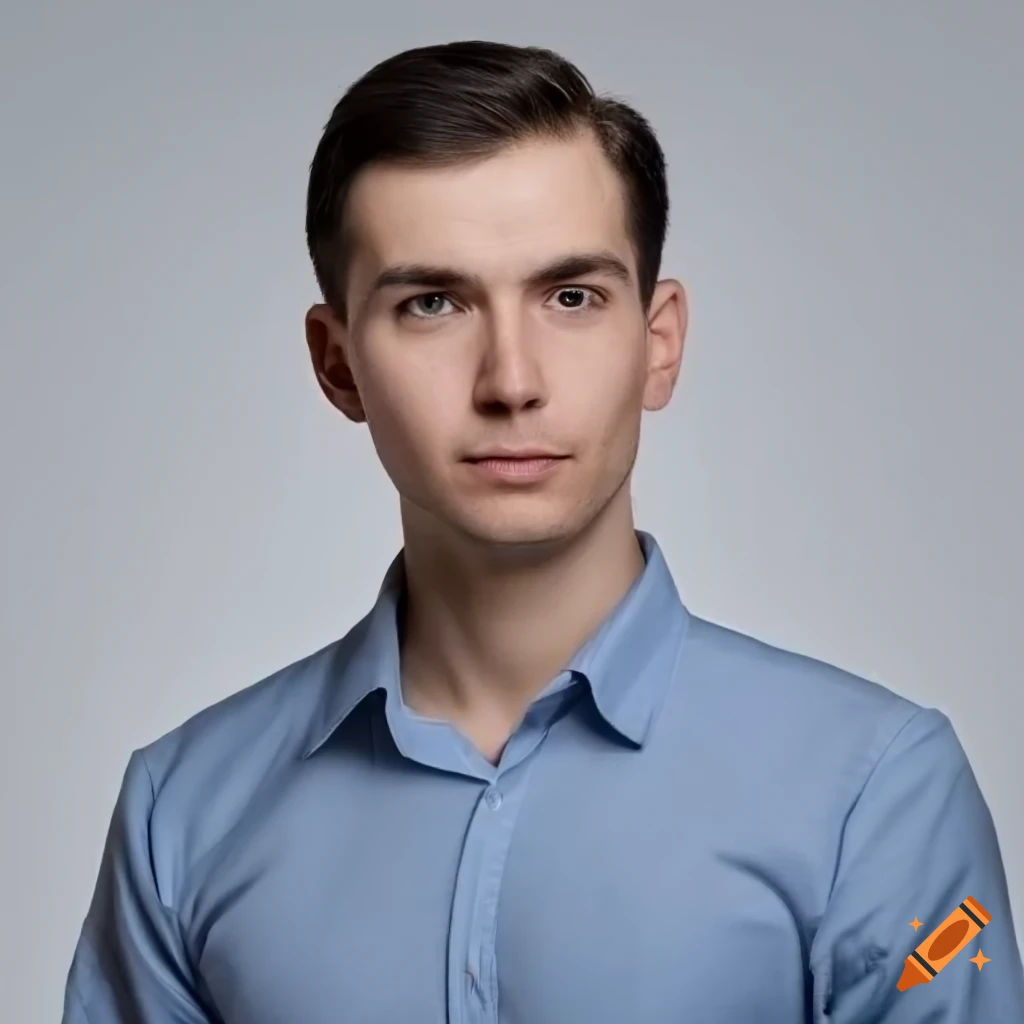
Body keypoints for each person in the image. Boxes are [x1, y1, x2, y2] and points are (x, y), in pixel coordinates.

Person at [62, 39, 1023, 1023]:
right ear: (338, 364)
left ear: (657, 343)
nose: (511, 381)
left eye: (571, 297)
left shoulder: (875, 792)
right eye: (432, 303)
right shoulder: (185, 813)